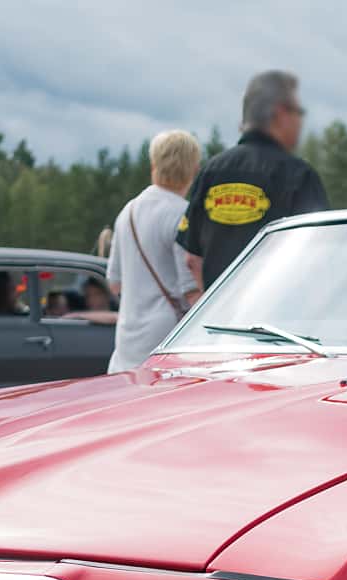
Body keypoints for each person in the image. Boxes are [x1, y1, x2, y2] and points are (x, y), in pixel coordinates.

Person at [177, 71, 328, 290]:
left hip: (218, 321)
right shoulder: (298, 176)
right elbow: (319, 256)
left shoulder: (211, 171)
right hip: (278, 318)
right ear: (281, 113)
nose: (300, 122)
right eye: (299, 112)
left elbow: (192, 260)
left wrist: (214, 307)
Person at [106, 128, 203, 371]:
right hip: (167, 341)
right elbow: (190, 289)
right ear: (193, 169)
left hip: (126, 343)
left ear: (154, 165)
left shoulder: (127, 212)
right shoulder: (184, 214)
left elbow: (114, 284)